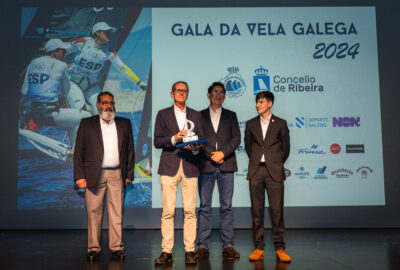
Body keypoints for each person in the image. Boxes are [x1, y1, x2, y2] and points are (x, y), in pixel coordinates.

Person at [74, 91, 135, 261]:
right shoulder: (87, 123)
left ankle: (117, 247)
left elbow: (130, 151)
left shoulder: (124, 123)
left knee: (117, 212)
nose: (109, 105)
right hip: (94, 174)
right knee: (94, 212)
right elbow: (79, 152)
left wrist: (129, 174)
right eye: (105, 102)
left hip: (117, 173)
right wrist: (79, 176)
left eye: (111, 102)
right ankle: (93, 248)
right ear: (98, 105)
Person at [153, 81, 204, 265]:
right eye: (178, 90)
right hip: (169, 166)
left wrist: (195, 147)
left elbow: (200, 142)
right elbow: (157, 141)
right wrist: (175, 138)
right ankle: (167, 251)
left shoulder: (196, 115)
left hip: (190, 165)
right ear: (171, 93)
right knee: (168, 212)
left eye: (185, 91)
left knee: (190, 211)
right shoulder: (163, 114)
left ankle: (190, 250)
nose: (182, 93)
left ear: (188, 94)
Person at [244, 91, 291, 263]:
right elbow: (248, 147)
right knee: (257, 212)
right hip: (256, 171)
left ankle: (280, 247)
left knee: (277, 212)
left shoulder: (280, 123)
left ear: (270, 103)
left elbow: (285, 149)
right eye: (257, 102)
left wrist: (275, 162)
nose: (258, 105)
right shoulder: (250, 124)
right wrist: (258, 161)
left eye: (261, 102)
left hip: (274, 171)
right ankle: (258, 247)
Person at [196, 82, 241, 259]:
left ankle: (228, 245)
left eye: (222, 93)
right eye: (215, 92)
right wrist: (212, 155)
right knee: (204, 207)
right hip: (206, 165)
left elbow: (236, 138)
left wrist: (223, 153)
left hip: (227, 165)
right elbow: (197, 140)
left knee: (226, 207)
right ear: (208, 95)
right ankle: (202, 246)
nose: (218, 95)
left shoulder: (231, 115)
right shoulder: (199, 116)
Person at [20, 39, 91, 144]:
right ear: (55, 52)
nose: (64, 54)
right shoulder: (61, 65)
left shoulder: (33, 62)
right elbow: (67, 90)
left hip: (33, 114)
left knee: (72, 117)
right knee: (87, 117)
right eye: (63, 51)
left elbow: (24, 90)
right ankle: (75, 148)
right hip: (50, 114)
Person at [67, 21, 147, 115]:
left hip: (91, 86)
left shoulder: (108, 51)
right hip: (73, 83)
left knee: (101, 111)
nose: (110, 34)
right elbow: (65, 49)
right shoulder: (83, 43)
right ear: (97, 32)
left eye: (110, 32)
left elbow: (123, 68)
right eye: (107, 32)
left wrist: (139, 83)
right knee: (80, 110)